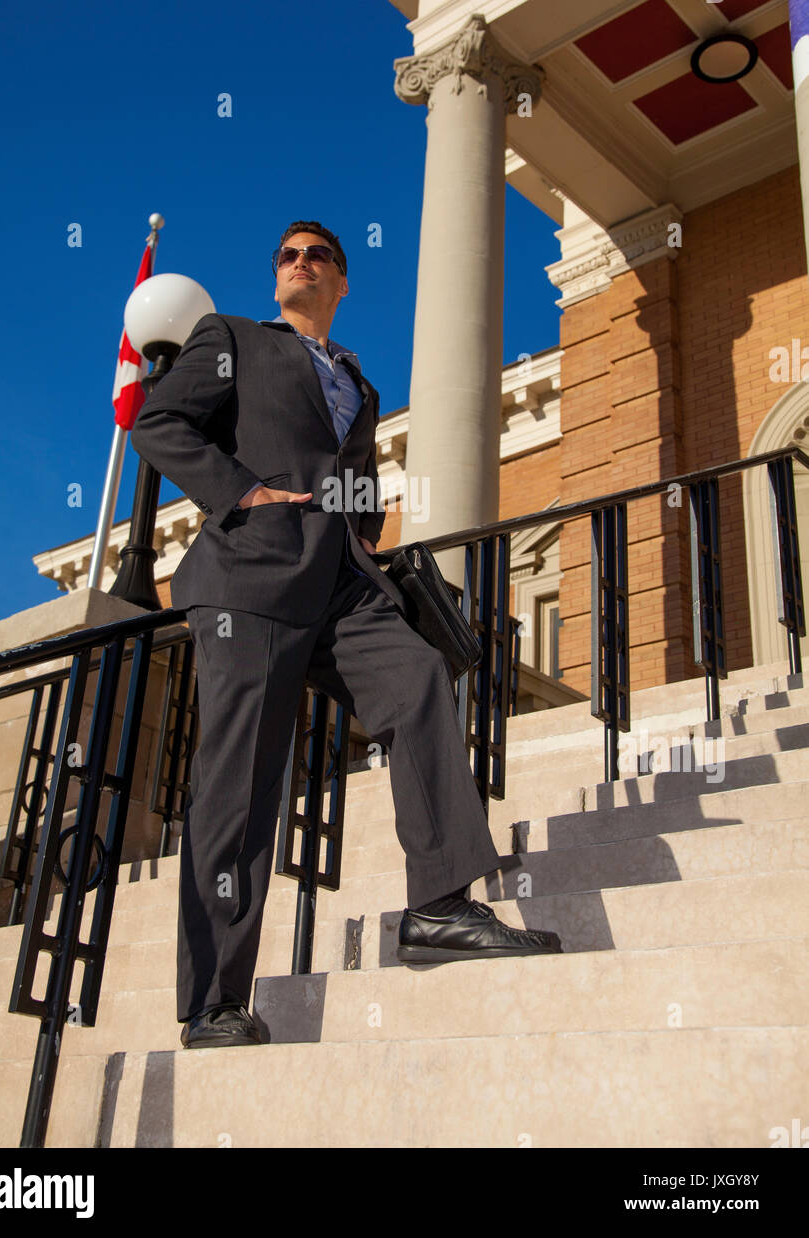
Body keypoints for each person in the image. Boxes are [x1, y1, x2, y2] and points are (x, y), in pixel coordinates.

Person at [130, 220, 562, 1049]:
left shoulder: (357, 383)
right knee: (244, 781)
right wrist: (244, 495)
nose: (298, 264)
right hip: (249, 584)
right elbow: (161, 425)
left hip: (341, 587)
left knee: (418, 679)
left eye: (315, 256)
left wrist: (362, 536)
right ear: (277, 276)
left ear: (341, 280)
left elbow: (355, 481)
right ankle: (215, 998)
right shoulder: (234, 340)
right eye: (286, 255)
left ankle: (437, 907)